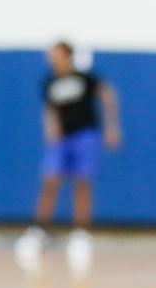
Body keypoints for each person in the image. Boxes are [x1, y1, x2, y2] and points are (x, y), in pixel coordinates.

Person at [15, 42, 122, 273]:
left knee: (82, 183)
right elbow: (49, 109)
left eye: (56, 54)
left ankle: (80, 234)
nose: (51, 58)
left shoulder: (84, 77)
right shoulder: (49, 81)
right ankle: (38, 231)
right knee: (50, 181)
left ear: (67, 55)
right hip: (61, 139)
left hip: (85, 135)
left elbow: (107, 93)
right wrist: (49, 130)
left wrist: (112, 126)